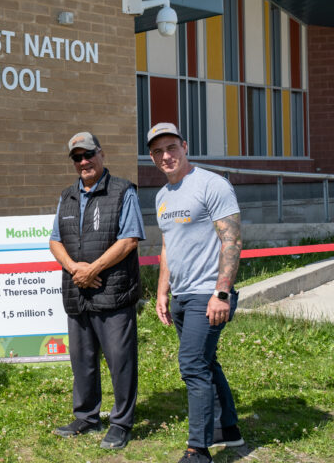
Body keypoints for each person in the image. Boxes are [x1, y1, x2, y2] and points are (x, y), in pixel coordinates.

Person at [148, 122, 244, 463]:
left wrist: (222, 292)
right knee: (206, 361)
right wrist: (162, 292)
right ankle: (228, 428)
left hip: (209, 292)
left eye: (171, 147)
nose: (166, 155)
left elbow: (231, 240)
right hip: (181, 296)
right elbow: (167, 246)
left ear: (185, 146)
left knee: (192, 365)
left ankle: (198, 450)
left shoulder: (211, 185)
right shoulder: (162, 196)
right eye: (158, 151)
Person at [49, 132, 145, 450]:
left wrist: (93, 269)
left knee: (120, 360)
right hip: (78, 292)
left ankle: (120, 423)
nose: (84, 162)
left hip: (113, 292)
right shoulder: (67, 196)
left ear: (101, 154)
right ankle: (87, 417)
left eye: (88, 154)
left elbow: (129, 239)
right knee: (82, 360)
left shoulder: (122, 191)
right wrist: (76, 269)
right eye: (77, 157)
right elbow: (55, 240)